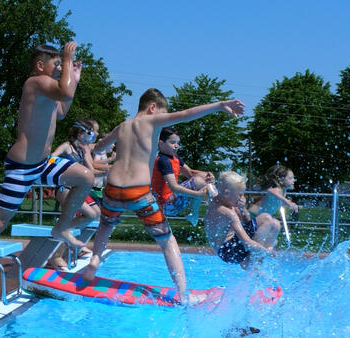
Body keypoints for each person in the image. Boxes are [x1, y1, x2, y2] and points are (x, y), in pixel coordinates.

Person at [83, 88, 245, 304]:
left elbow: (97, 148)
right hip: (138, 191)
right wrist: (218, 104)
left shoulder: (121, 127)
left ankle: (94, 261)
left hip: (112, 188)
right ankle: (183, 294)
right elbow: (187, 114)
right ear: (152, 108)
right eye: (161, 112)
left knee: (105, 226)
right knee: (168, 242)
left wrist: (86, 149)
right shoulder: (151, 122)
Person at [0, 42, 92, 250]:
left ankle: (62, 228)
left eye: (61, 65)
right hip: (22, 167)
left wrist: (74, 79)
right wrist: (67, 59)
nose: (60, 68)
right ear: (40, 66)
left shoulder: (48, 93)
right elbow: (65, 93)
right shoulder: (35, 83)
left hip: (43, 163)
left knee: (86, 177)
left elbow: (62, 110)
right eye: (57, 64)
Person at [48, 118, 102, 269]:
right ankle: (56, 255)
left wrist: (110, 169)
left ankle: (64, 238)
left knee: (94, 214)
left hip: (77, 188)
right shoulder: (67, 146)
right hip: (63, 187)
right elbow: (51, 159)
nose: (92, 137)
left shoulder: (81, 150)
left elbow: (90, 171)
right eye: (91, 133)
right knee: (86, 216)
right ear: (81, 133)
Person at [204, 171, 278, 269]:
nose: (242, 198)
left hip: (225, 251)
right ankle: (252, 265)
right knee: (266, 218)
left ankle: (252, 262)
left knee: (275, 225)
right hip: (229, 251)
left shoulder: (215, 198)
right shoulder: (228, 213)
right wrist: (267, 252)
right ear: (227, 193)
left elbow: (247, 221)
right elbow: (247, 242)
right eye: (240, 195)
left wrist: (210, 182)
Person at [151, 127, 214, 221]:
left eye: (178, 143)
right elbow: (174, 187)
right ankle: (194, 212)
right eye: (172, 142)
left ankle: (194, 213)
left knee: (205, 179)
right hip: (166, 205)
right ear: (161, 143)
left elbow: (190, 173)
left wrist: (208, 174)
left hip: (173, 200)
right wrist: (196, 194)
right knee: (199, 182)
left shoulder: (175, 157)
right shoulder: (163, 160)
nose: (176, 146)